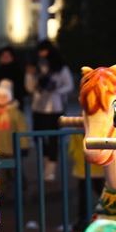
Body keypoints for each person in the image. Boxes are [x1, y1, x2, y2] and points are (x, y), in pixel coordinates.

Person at [25, 39, 74, 182]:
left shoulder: (61, 68)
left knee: (53, 138)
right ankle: (46, 162)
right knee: (38, 137)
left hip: (55, 108)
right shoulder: (34, 68)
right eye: (40, 52)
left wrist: (56, 91)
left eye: (45, 52)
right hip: (38, 107)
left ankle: (50, 169)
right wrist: (29, 75)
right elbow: (29, 88)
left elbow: (69, 85)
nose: (42, 55)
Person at [0, 79, 29, 193]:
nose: (2, 98)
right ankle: (3, 193)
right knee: (0, 173)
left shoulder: (15, 113)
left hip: (12, 149)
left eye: (4, 96)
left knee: (16, 171)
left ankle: (22, 190)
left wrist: (24, 146)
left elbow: (22, 129)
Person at [0, 46, 27, 110]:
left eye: (8, 55)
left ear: (13, 57)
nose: (5, 57)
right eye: (3, 55)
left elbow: (23, 89)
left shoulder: (18, 72)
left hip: (15, 107)